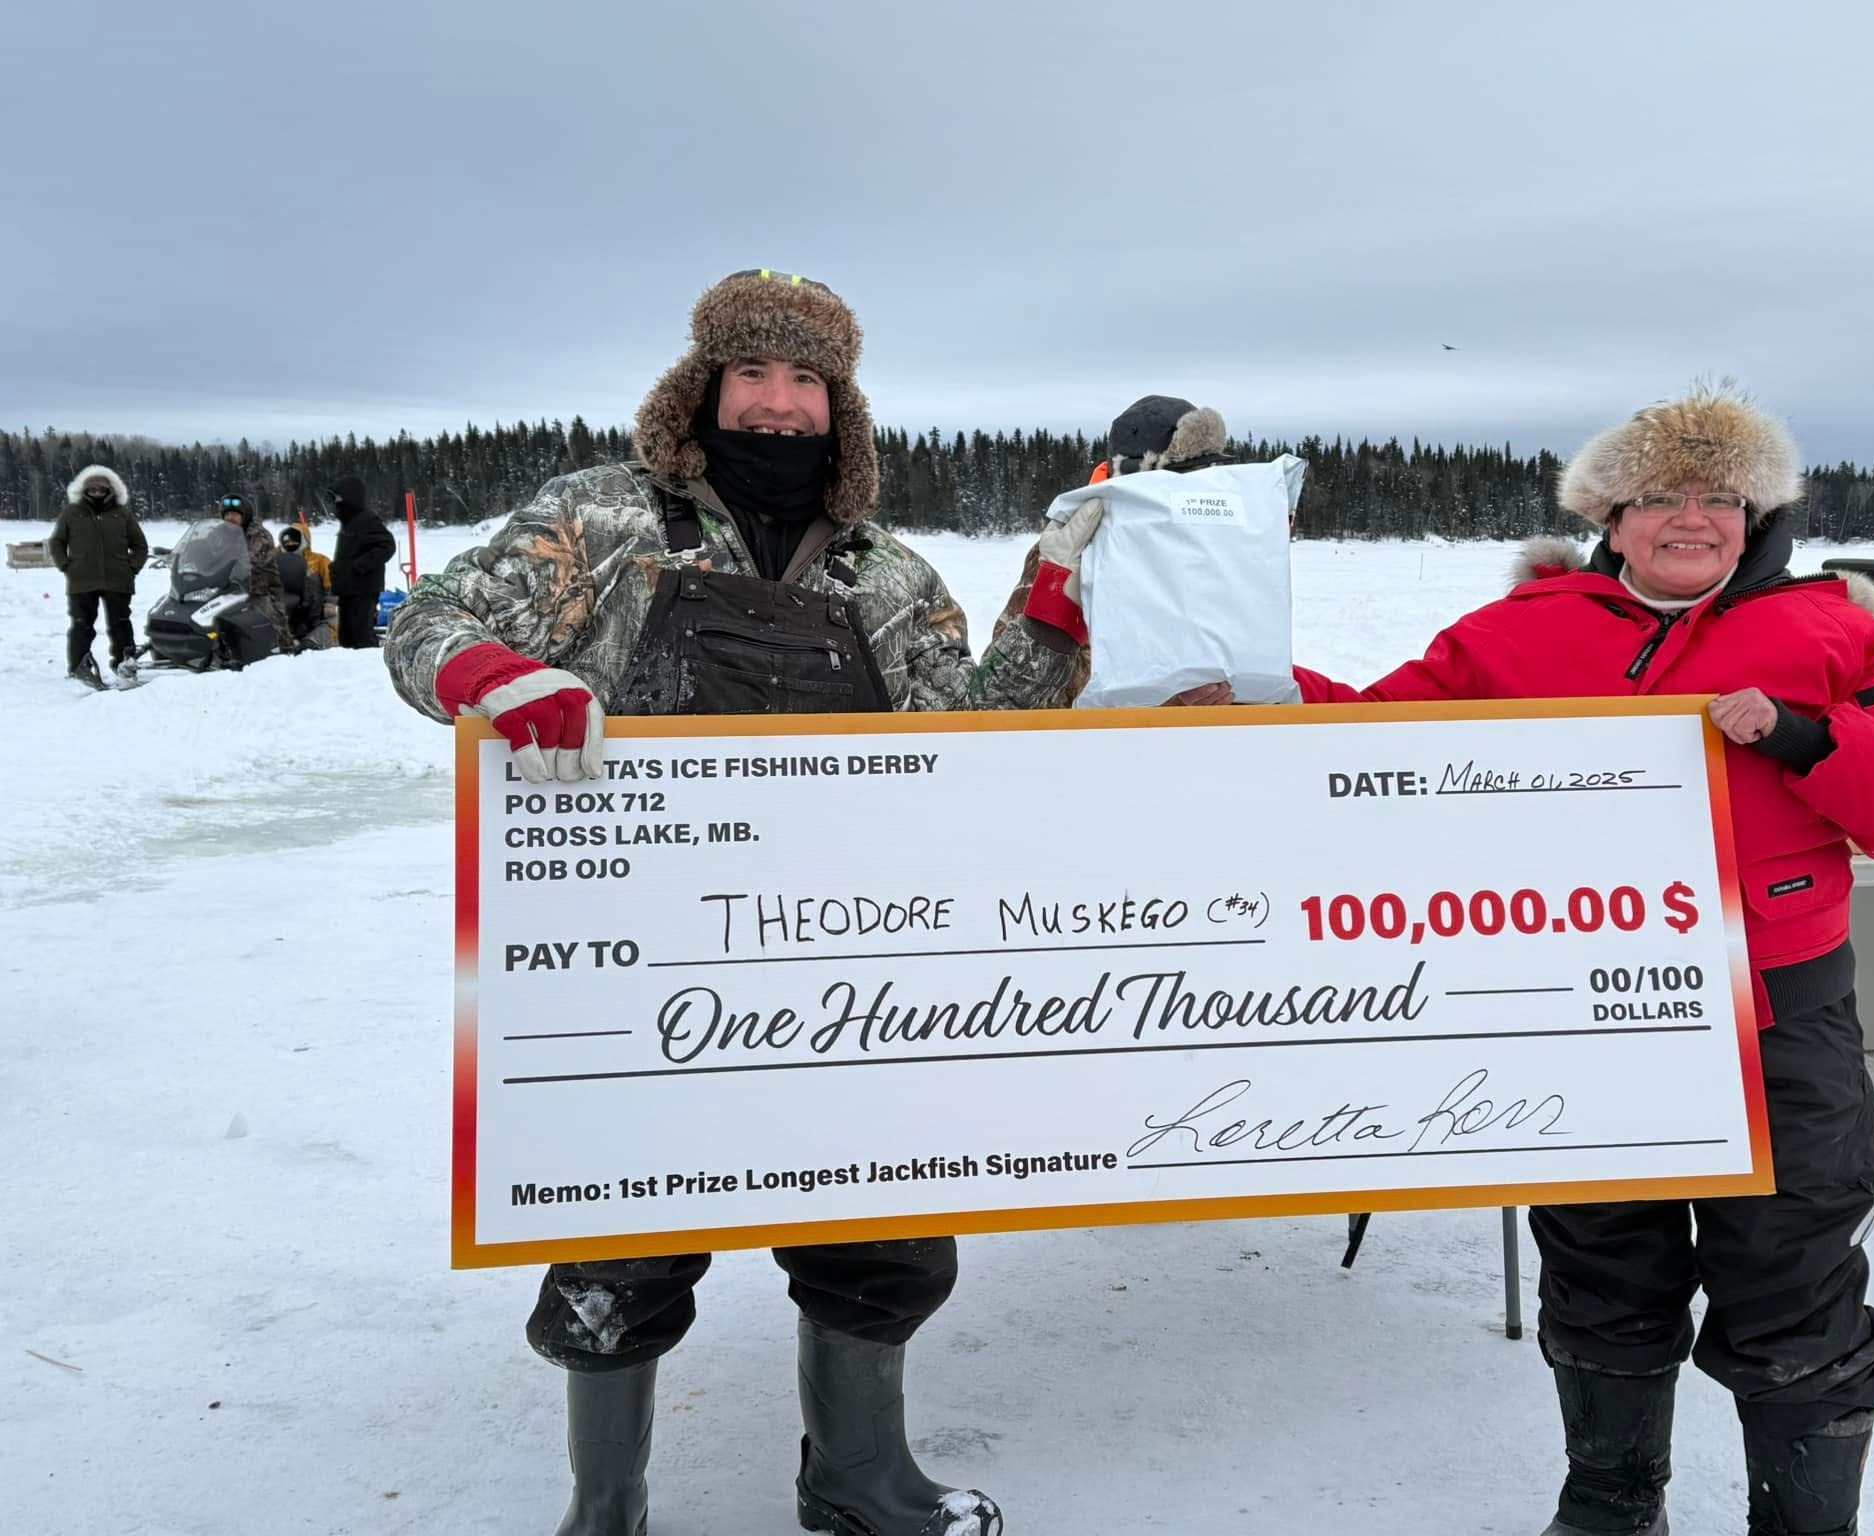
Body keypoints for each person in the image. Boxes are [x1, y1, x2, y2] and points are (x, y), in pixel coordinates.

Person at [384, 268, 1091, 1536]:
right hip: (635, 973)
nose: (777, 404)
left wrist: (1052, 601)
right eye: (752, 375)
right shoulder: (598, 523)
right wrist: (492, 674)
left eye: (805, 380)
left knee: (877, 1227)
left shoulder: (887, 573)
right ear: (703, 387)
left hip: (844, 967)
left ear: (841, 407)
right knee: (621, 1246)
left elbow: (973, 739)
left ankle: (859, 1476)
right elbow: (429, 621)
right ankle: (607, 1504)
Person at [1293, 387, 1874, 1536]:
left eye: (1720, 496)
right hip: (1580, 1010)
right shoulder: (1515, 633)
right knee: (1601, 1257)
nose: (1691, 518)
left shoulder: (1832, 633)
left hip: (1777, 1015)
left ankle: (1803, 1518)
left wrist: (1802, 735)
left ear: (1754, 515)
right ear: (1610, 518)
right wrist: (1245, 703)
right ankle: (1609, 1500)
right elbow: (1372, 748)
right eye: (1661, 496)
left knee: (1792, 1274)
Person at [988, 393, 1237, 708]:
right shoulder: (1071, 550)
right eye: (1188, 478)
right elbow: (1010, 697)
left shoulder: (1211, 551)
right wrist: (1168, 709)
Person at [47, 464, 150, 686]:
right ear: (84, 490)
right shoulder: (72, 513)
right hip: (82, 581)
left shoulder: (122, 514)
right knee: (81, 624)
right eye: (92, 489)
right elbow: (56, 542)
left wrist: (131, 568)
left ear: (110, 490)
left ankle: (125, 663)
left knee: (121, 624)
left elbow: (140, 545)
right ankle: (78, 666)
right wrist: (67, 566)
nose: (97, 492)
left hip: (118, 580)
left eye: (101, 489)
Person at [218, 494, 296, 653]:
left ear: (244, 516)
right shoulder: (220, 534)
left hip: (261, 589)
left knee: (270, 619)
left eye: (234, 515)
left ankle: (284, 650)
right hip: (230, 587)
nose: (230, 518)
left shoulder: (259, 535)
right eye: (227, 514)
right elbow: (206, 551)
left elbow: (252, 559)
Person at [327, 474, 395, 648]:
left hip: (363, 589)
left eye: (339, 497)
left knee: (362, 636)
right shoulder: (349, 522)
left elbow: (387, 545)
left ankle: (368, 669)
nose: (336, 502)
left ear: (351, 496)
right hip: (347, 589)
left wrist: (361, 566)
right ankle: (351, 672)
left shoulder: (367, 519)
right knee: (347, 637)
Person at [277, 524, 336, 648]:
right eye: (288, 540)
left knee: (336, 622)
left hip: (315, 613)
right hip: (286, 612)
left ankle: (312, 642)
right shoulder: (276, 559)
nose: (291, 543)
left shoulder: (320, 560)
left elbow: (333, 584)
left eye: (295, 539)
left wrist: (330, 603)